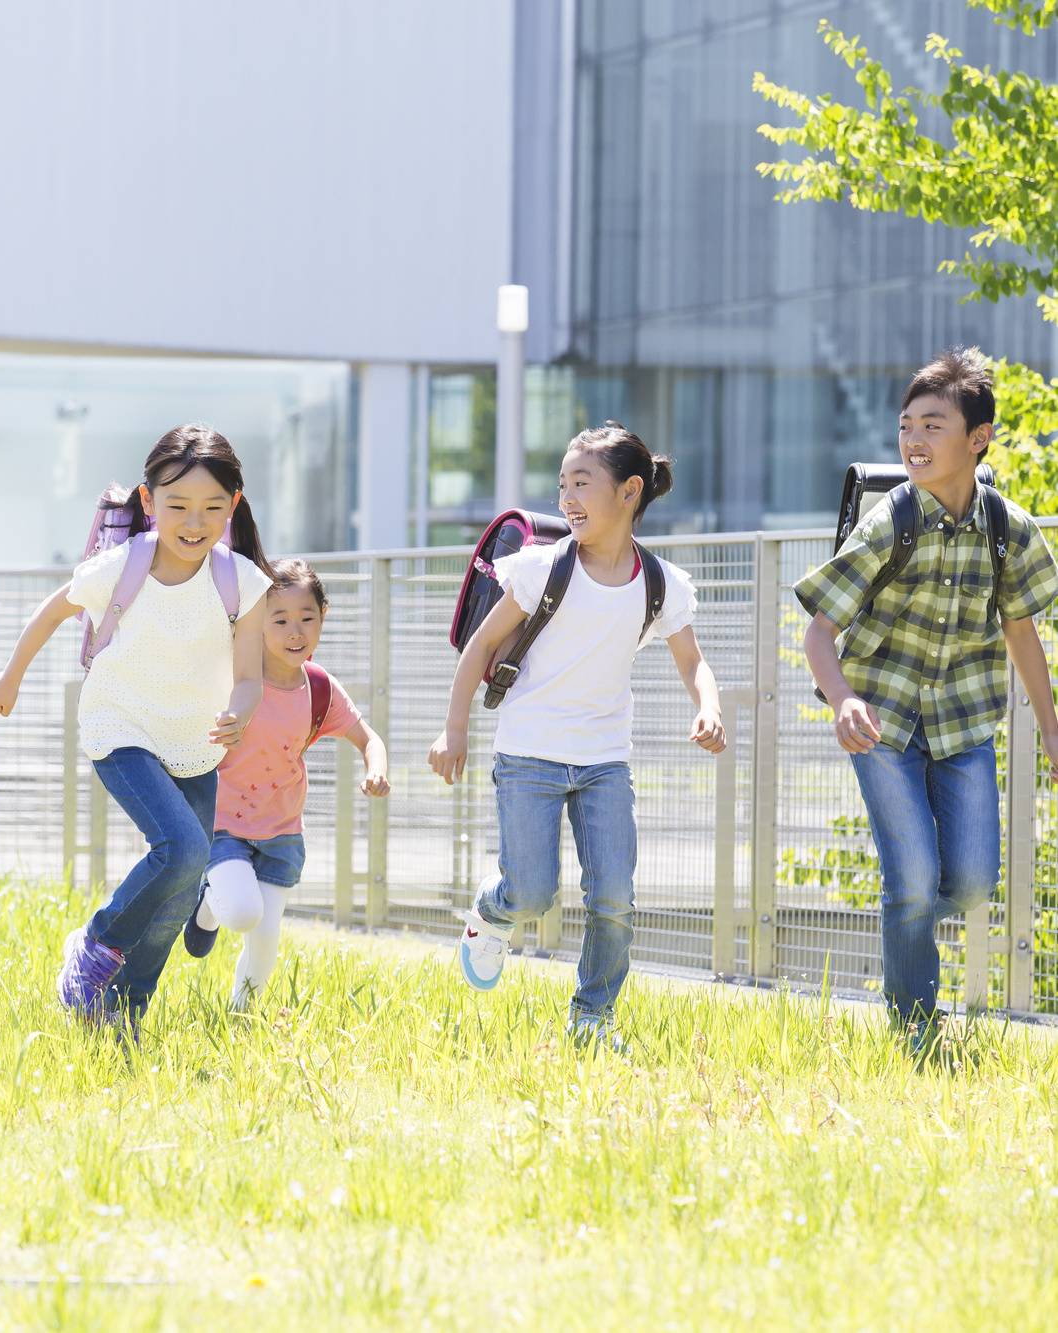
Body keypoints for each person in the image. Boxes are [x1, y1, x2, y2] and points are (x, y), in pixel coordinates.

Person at [429, 423, 725, 1049]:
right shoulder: (541, 568)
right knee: (532, 894)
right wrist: (454, 728)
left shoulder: (660, 583)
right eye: (562, 483)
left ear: (629, 492)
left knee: (614, 897)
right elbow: (481, 641)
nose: (566, 496)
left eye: (581, 483)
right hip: (528, 753)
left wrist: (709, 707)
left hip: (604, 762)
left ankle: (593, 1018)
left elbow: (691, 660)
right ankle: (492, 911)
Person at [797, 349, 1058, 1046]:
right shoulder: (890, 520)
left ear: (978, 439)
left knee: (972, 883)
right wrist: (843, 698)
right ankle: (914, 1026)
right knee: (912, 874)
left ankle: (901, 917)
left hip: (965, 722)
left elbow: (1020, 632)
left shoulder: (1008, 529)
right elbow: (818, 632)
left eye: (932, 425)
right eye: (905, 424)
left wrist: (1053, 731)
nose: (912, 439)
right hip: (881, 719)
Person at [0, 425, 273, 1032]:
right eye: (177, 506)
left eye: (212, 508)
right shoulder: (121, 567)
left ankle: (125, 1008)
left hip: (196, 741)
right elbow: (53, 609)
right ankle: (96, 945)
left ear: (234, 506)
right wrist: (10, 676)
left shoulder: (240, 581)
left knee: (183, 878)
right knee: (185, 849)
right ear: (148, 502)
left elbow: (249, 674)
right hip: (120, 726)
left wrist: (241, 710)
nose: (194, 522)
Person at [181, 558, 390, 1008]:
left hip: (281, 833)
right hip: (222, 825)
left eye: (306, 618)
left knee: (266, 935)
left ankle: (242, 1016)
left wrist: (376, 768)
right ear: (257, 622)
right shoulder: (233, 678)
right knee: (242, 913)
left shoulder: (319, 688)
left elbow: (367, 738)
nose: (296, 632)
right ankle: (209, 904)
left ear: (323, 617)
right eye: (279, 620)